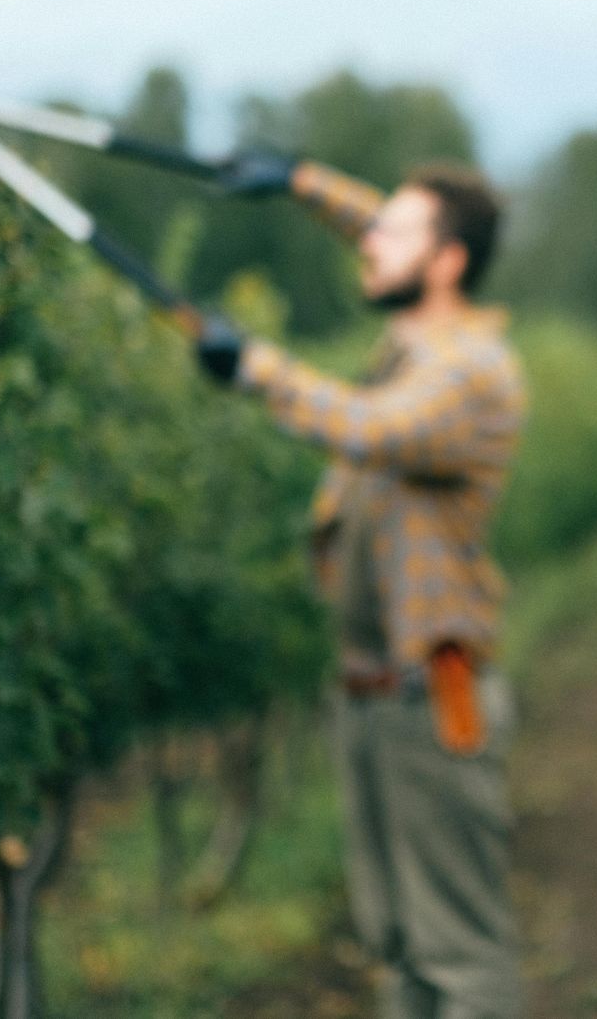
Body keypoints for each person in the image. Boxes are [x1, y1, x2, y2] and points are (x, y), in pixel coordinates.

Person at [197, 155, 527, 1019]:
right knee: (395, 947)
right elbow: (383, 232)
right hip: (373, 700)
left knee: (458, 952)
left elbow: (367, 427)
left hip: (431, 702)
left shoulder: (470, 373)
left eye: (395, 233)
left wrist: (256, 368)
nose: (369, 244)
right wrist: (302, 182)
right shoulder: (419, 339)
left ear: (447, 261)